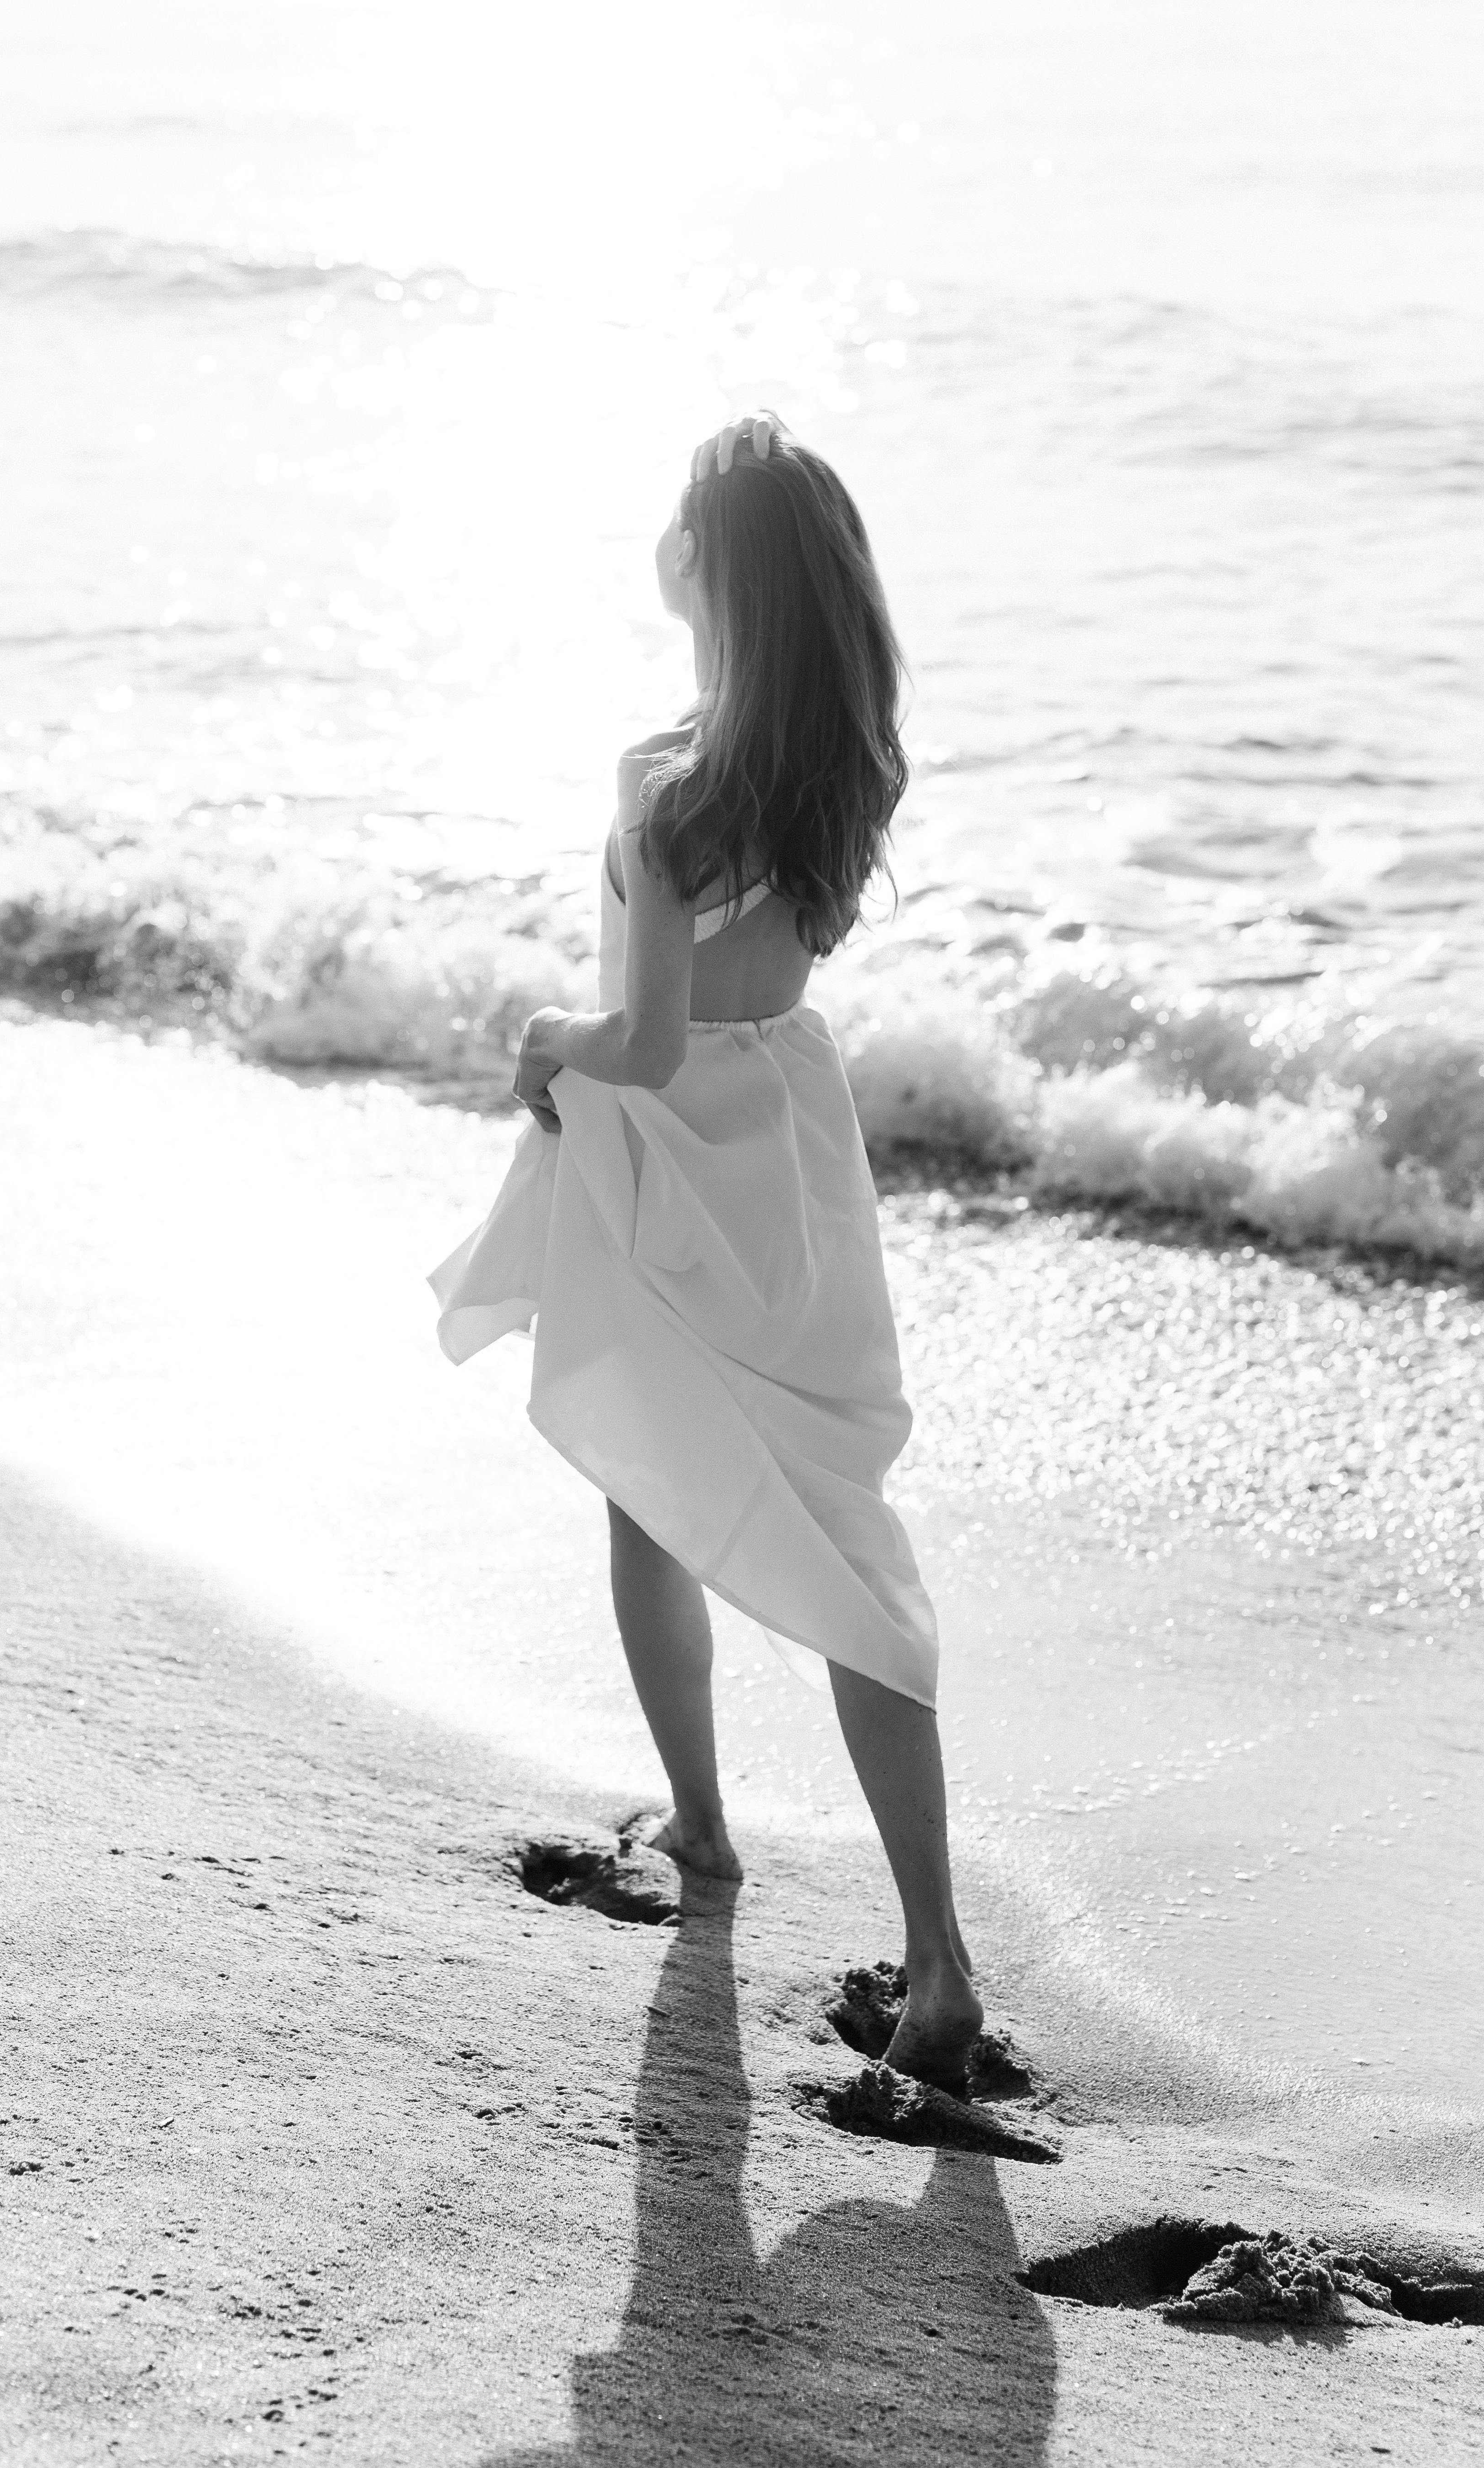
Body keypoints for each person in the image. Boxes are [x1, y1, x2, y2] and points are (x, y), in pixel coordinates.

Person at [429, 414, 981, 2088]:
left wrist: (544, 1030)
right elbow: (750, 1003)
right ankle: (938, 1950)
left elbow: (651, 1043)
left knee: (649, 1492)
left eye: (681, 519)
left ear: (710, 572)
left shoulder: (664, 783)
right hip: (797, 1165)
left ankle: (707, 1823)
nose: (660, 535)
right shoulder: (848, 764)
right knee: (843, 1536)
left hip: (670, 1160)